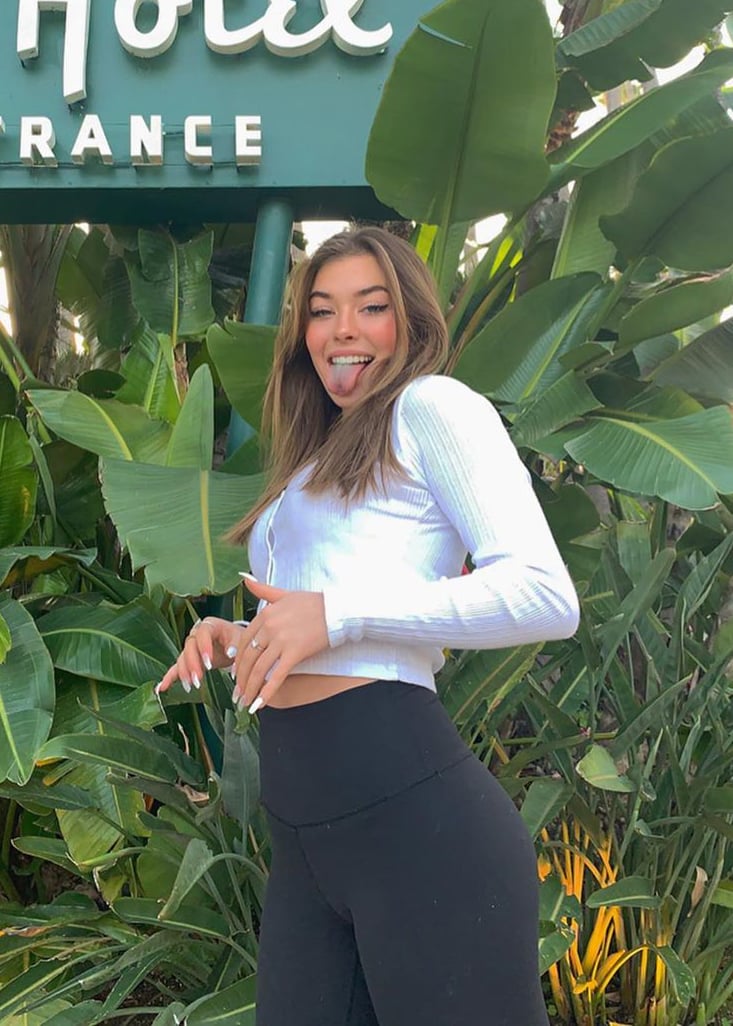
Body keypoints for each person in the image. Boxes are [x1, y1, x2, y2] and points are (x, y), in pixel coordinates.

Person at [157, 226, 579, 1026]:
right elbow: (326, 622)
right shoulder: (316, 456)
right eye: (321, 311)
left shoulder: (430, 406)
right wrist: (245, 639)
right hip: (306, 838)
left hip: (414, 824)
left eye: (370, 306)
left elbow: (544, 594)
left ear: (410, 320)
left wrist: (337, 613)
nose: (340, 330)